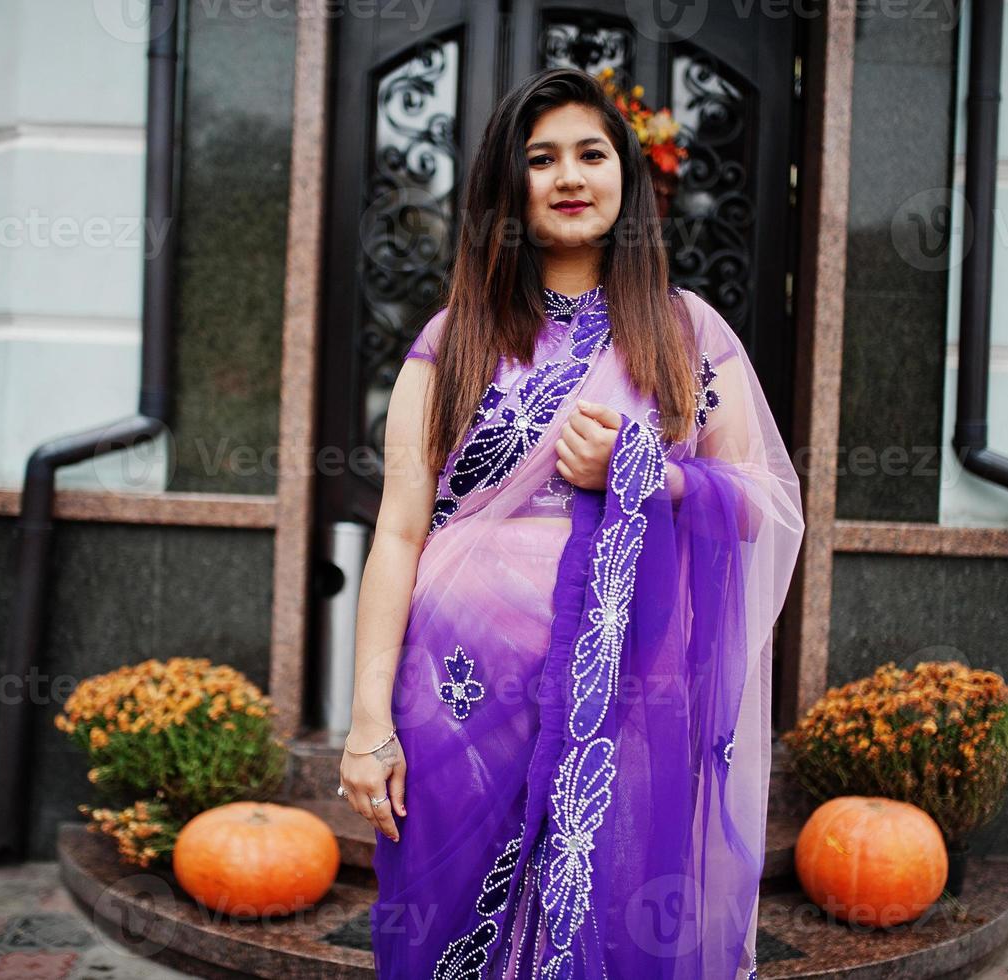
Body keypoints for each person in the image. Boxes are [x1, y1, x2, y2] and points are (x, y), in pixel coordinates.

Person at [340, 66, 805, 980]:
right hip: (455, 695)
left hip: (624, 697)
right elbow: (398, 533)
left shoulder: (684, 334)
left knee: (606, 925)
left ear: (625, 177)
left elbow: (761, 502)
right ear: (508, 186)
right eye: (540, 157)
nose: (568, 175)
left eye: (590, 153)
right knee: (444, 929)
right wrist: (365, 724)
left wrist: (644, 470)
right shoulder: (452, 341)